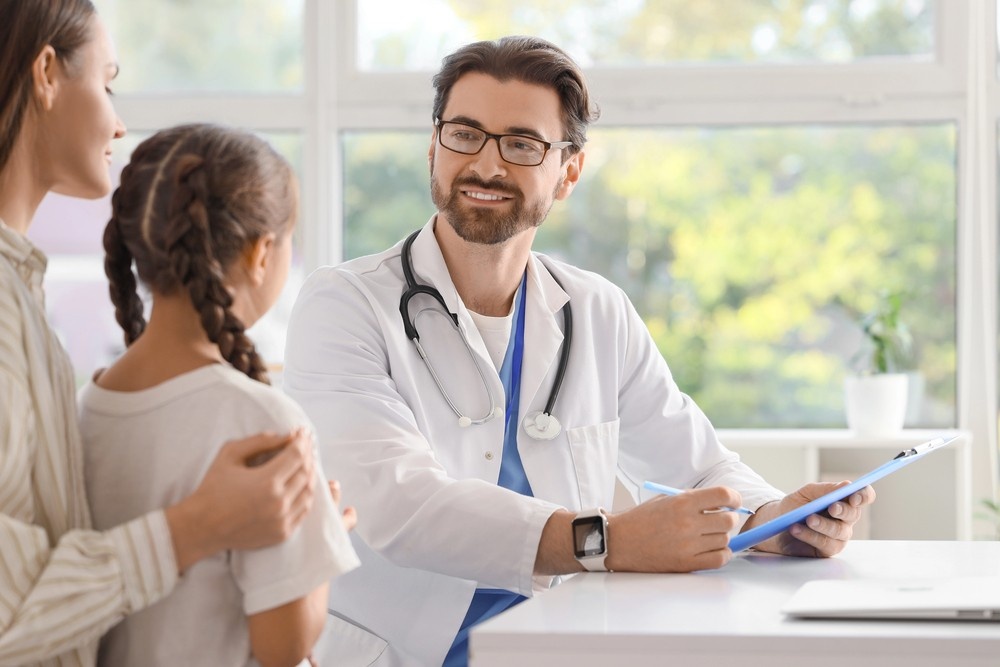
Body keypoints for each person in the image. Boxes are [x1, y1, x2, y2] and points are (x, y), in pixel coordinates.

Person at [283, 35, 876, 666]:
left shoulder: (596, 310)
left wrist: (777, 520)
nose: (487, 164)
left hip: (562, 643)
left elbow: (700, 467)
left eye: (522, 144)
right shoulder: (344, 303)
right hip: (402, 654)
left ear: (568, 171)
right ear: (433, 147)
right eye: (464, 133)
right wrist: (606, 540)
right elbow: (397, 505)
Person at [0, 2, 324, 664]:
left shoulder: (36, 319)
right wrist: (200, 525)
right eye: (108, 79)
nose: (118, 121)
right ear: (46, 72)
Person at [78, 122, 361, 666]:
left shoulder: (89, 406)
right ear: (261, 254)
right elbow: (284, 646)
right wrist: (324, 535)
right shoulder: (262, 417)